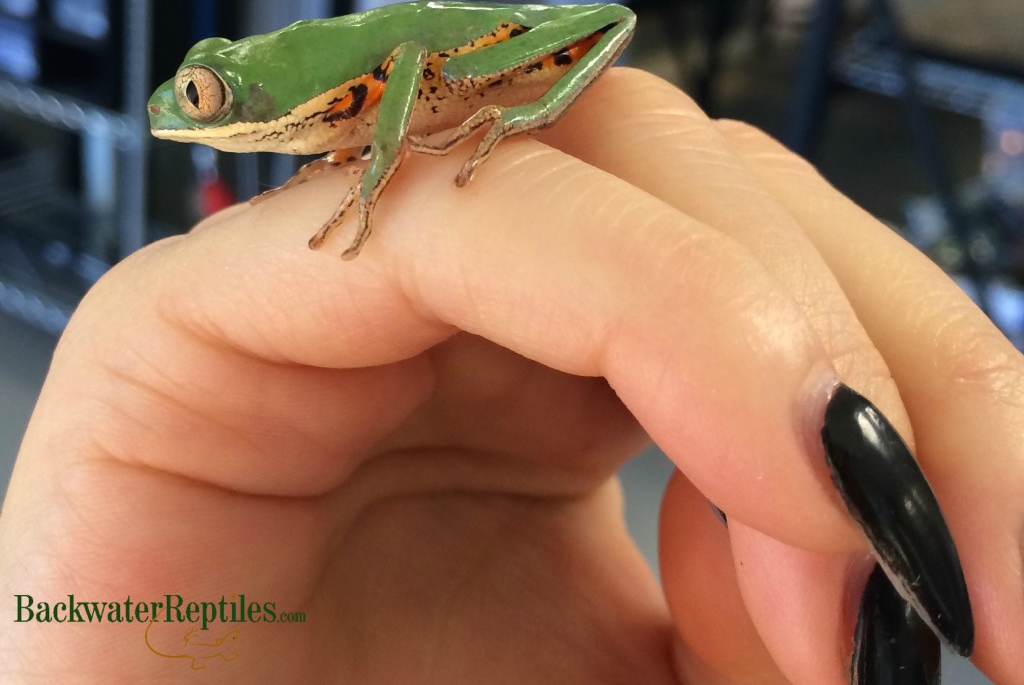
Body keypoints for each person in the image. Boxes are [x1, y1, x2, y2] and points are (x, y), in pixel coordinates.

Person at [0, 68, 1019, 683]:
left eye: (202, 97)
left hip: (481, 84)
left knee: (781, 446)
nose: (186, 114)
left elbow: (398, 77)